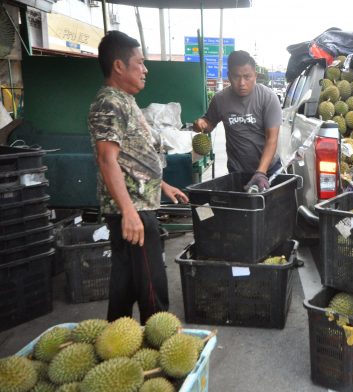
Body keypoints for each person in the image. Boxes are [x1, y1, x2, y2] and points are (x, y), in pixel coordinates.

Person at [88, 31, 189, 324]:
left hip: (139, 204)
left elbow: (132, 157)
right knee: (151, 285)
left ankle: (116, 340)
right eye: (140, 63)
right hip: (133, 210)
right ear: (119, 66)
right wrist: (130, 213)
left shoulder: (125, 100)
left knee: (126, 283)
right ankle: (158, 350)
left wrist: (163, 185)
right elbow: (107, 160)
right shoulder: (110, 104)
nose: (145, 69)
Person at [193, 50, 282, 192]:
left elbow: (272, 138)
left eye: (247, 77)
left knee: (270, 212)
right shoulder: (220, 99)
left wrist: (261, 172)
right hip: (238, 173)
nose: (241, 83)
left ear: (255, 76)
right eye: (236, 77)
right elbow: (208, 124)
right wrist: (200, 124)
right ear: (229, 76)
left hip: (268, 171)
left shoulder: (268, 97)